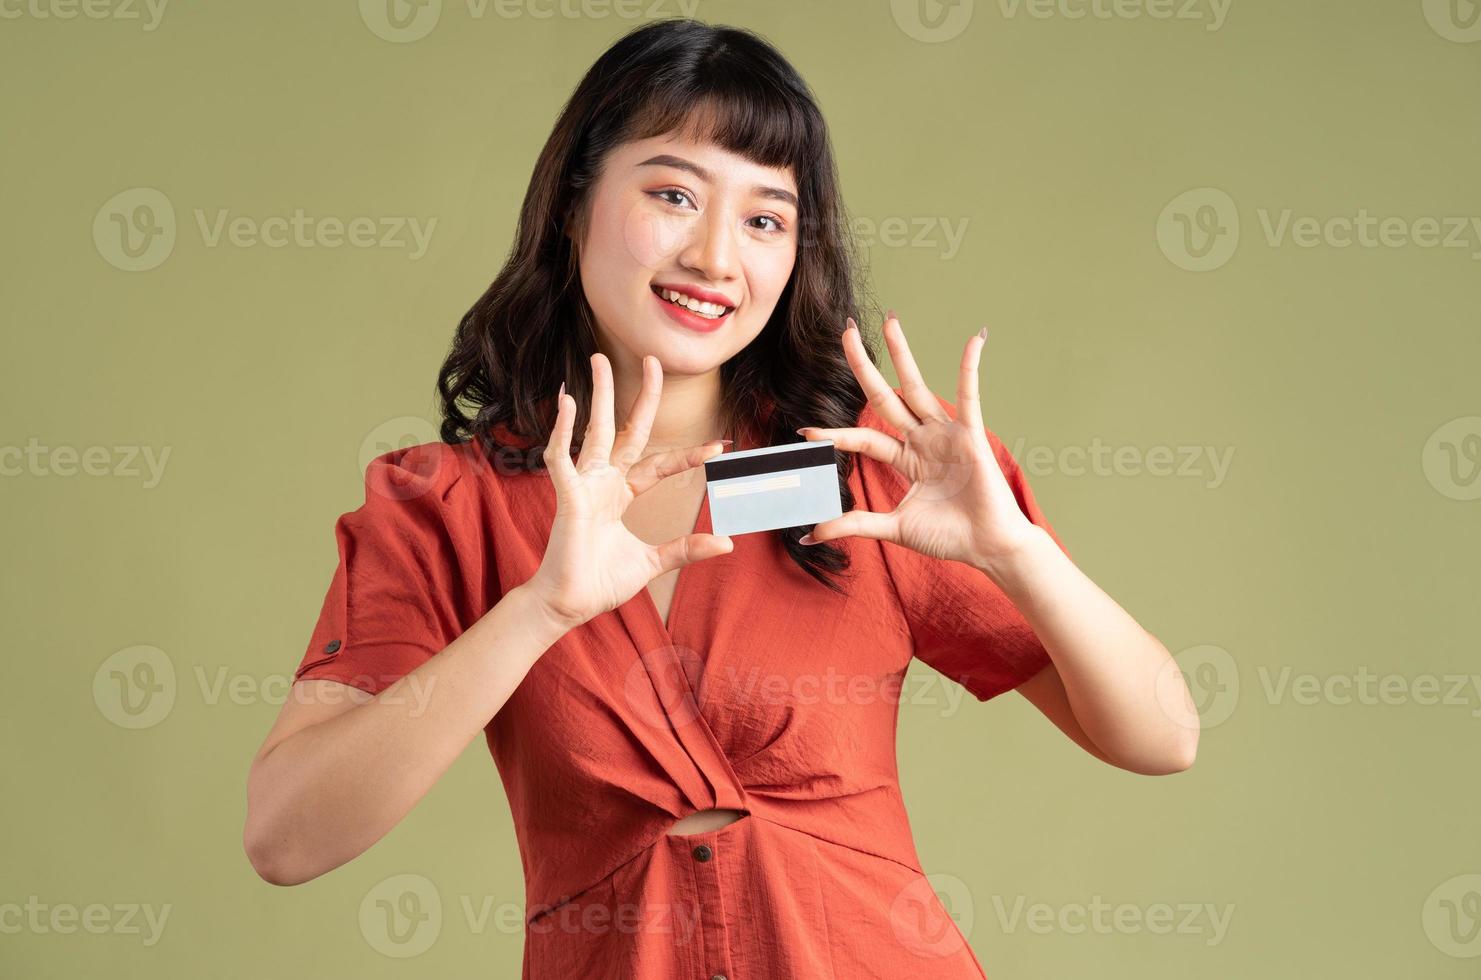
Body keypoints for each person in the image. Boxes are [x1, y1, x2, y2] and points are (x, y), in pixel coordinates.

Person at [244, 17, 1198, 978]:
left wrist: (1017, 557)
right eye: (671, 194)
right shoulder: (444, 504)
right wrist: (537, 612)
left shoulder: (863, 465)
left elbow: (1161, 739)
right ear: (573, 203)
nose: (713, 257)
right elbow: (287, 838)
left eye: (765, 218)